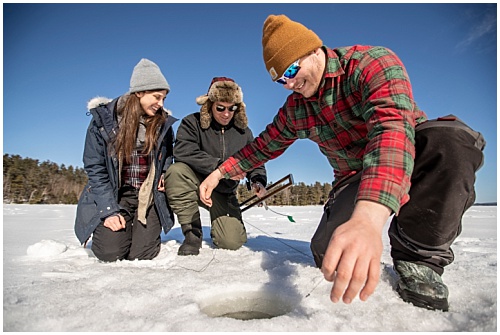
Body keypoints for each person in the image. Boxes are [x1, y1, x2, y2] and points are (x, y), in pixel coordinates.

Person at [199, 15, 485, 311]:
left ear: (313, 50)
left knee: (452, 141)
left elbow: (390, 134)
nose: (289, 84)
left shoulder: (371, 64)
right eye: (281, 79)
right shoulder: (296, 109)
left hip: (411, 155)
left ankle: (419, 259)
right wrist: (220, 173)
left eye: (292, 70)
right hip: (352, 176)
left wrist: (368, 219)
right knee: (329, 256)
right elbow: (262, 146)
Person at [75, 58, 178, 262]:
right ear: (139, 92)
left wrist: (165, 172)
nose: (161, 104)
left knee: (142, 254)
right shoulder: (104, 121)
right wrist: (109, 211)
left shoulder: (162, 124)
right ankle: (117, 229)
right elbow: (96, 169)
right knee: (109, 252)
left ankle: (140, 231)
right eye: (157, 97)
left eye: (164, 99)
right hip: (117, 196)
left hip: (148, 198)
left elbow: (167, 155)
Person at [164, 77, 267, 256]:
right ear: (210, 104)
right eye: (220, 107)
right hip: (195, 185)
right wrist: (222, 167)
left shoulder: (244, 133)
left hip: (224, 193)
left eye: (232, 108)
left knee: (230, 241)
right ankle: (192, 234)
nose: (226, 113)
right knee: (176, 171)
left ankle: (222, 227)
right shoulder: (192, 123)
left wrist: (257, 180)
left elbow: (254, 161)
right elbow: (182, 150)